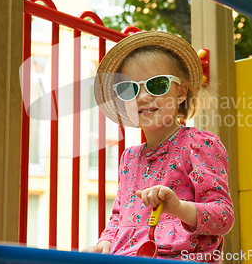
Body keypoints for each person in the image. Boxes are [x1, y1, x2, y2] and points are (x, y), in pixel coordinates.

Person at [83, 31, 234, 262]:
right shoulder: (130, 157)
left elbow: (223, 217)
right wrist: (104, 243)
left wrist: (178, 208)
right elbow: (119, 216)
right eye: (130, 89)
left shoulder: (199, 144)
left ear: (181, 93)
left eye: (157, 85)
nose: (143, 97)